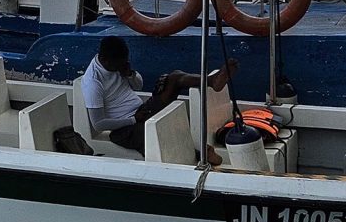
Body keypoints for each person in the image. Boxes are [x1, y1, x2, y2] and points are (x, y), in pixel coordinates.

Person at [82, 36, 236, 160]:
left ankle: (212, 81)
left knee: (174, 77)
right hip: (124, 129)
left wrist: (129, 74)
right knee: (155, 131)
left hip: (141, 111)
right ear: (105, 60)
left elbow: (138, 86)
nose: (121, 65)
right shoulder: (93, 82)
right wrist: (134, 120)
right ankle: (199, 154)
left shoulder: (115, 64)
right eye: (118, 64)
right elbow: (98, 124)